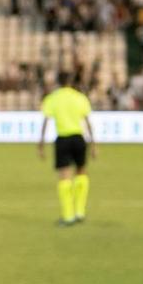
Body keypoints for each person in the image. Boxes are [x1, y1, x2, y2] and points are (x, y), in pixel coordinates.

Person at [38, 77, 94, 226]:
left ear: (58, 83)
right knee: (81, 172)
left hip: (63, 139)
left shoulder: (53, 98)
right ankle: (80, 212)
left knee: (64, 177)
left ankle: (68, 216)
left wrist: (41, 144)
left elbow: (45, 121)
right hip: (78, 137)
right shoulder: (80, 97)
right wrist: (94, 144)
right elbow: (88, 121)